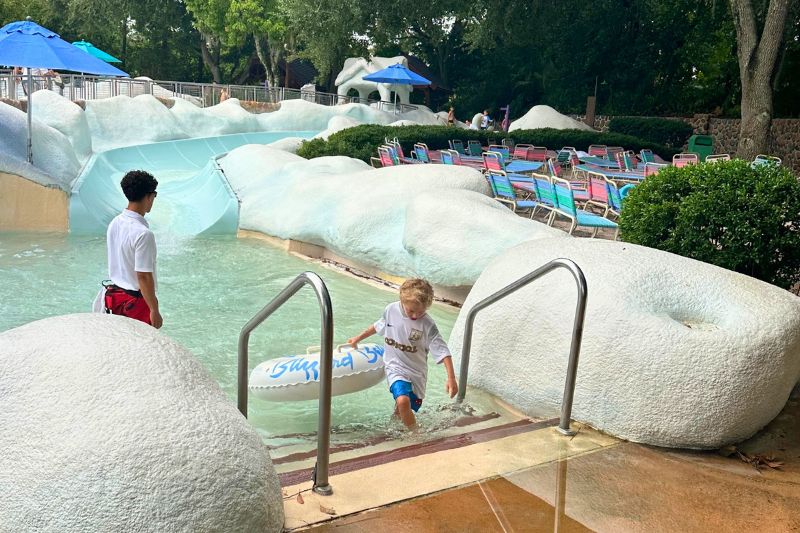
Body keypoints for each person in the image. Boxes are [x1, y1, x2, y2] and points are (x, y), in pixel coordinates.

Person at [347, 279, 458, 429]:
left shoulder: (427, 324)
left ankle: (394, 428)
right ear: (402, 300)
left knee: (403, 408)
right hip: (394, 367)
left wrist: (451, 378)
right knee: (402, 401)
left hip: (416, 373)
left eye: (420, 312)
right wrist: (358, 338)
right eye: (411, 311)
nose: (415, 316)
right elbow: (378, 325)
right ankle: (415, 434)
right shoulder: (391, 310)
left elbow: (443, 350)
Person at [102, 170, 163, 329]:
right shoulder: (144, 234)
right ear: (149, 196)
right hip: (136, 303)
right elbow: (143, 276)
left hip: (115, 298)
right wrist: (154, 309)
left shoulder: (115, 223)